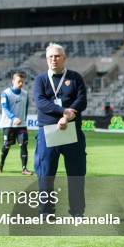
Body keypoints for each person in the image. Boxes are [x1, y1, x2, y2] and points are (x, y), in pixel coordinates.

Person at [33, 43, 87, 219]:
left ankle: (77, 212)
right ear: (46, 59)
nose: (53, 59)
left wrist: (68, 117)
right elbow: (41, 102)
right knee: (46, 174)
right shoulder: (40, 79)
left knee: (76, 174)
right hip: (48, 131)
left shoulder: (75, 77)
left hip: (72, 131)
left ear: (64, 58)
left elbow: (81, 101)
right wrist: (63, 112)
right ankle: (46, 212)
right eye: (50, 57)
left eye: (57, 56)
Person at [0, 71, 33, 175]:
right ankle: (1, 164)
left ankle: (24, 169)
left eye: (22, 82)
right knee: (7, 146)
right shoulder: (6, 93)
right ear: (13, 81)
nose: (21, 83)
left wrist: (24, 123)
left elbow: (25, 109)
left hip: (21, 126)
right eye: (19, 81)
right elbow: (5, 108)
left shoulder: (25, 94)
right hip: (8, 124)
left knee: (23, 145)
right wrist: (14, 118)